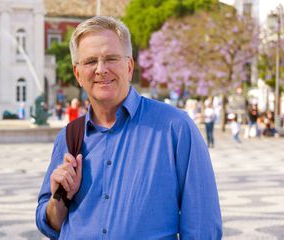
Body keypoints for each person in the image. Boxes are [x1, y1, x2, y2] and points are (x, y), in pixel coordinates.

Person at [36, 16, 222, 239]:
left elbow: (202, 226)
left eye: (111, 59)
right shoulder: (69, 137)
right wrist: (59, 199)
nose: (101, 69)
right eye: (90, 61)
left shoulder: (175, 128)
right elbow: (51, 224)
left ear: (130, 66)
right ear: (78, 74)